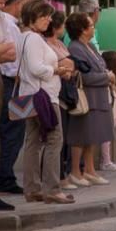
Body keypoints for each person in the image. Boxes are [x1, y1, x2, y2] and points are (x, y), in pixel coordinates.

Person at [19, 0, 76, 204]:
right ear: (33, 17)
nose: (49, 20)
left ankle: (32, 188)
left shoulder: (23, 37)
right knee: (54, 140)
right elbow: (36, 68)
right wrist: (57, 70)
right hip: (44, 96)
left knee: (32, 142)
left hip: (28, 95)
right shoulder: (34, 39)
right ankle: (52, 188)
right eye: (45, 16)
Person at [65, 12, 115, 187]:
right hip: (87, 96)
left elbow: (100, 66)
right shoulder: (75, 48)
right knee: (80, 135)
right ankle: (75, 172)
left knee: (92, 135)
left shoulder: (90, 47)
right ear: (82, 29)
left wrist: (107, 74)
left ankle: (90, 170)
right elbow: (84, 77)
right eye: (90, 25)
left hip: (98, 96)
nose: (94, 27)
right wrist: (107, 77)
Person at [0, 0, 31, 198]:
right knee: (13, 131)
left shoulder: (12, 24)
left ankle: (6, 176)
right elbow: (12, 56)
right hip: (11, 83)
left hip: (15, 83)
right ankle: (5, 178)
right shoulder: (9, 25)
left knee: (16, 131)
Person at [42, 11, 78, 191]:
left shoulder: (59, 43)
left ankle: (62, 174)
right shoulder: (45, 44)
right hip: (54, 94)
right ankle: (55, 178)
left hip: (64, 92)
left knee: (62, 137)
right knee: (54, 138)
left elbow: (70, 64)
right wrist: (66, 66)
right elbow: (62, 65)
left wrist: (68, 66)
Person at [100, 51, 116, 172]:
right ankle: (106, 161)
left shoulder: (112, 75)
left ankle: (106, 160)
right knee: (107, 136)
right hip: (112, 105)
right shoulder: (107, 75)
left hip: (114, 105)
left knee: (107, 135)